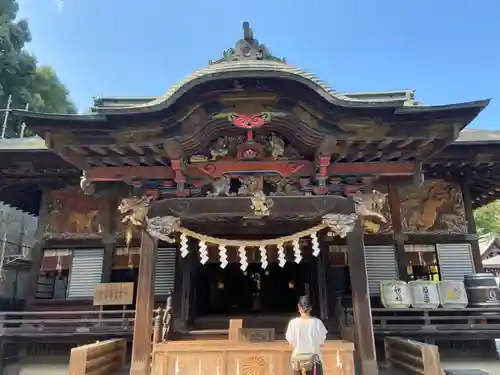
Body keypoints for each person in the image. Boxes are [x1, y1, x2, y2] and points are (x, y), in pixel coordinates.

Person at [285, 295, 327, 375]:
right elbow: (321, 344)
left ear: (299, 307)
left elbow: (290, 344)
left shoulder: (293, 323)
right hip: (314, 360)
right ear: (310, 308)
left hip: (298, 361)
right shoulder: (317, 323)